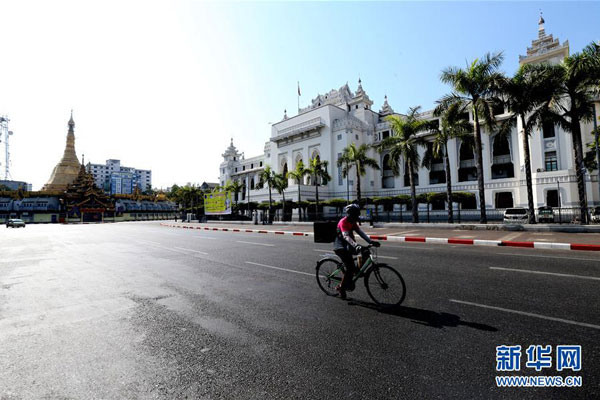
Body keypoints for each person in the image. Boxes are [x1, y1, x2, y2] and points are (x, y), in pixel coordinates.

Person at [333, 203, 380, 299]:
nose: (357, 216)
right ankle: (341, 288)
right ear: (350, 213)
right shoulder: (343, 222)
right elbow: (346, 236)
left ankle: (357, 271)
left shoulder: (353, 222)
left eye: (357, 214)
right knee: (350, 268)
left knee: (365, 252)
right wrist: (356, 245)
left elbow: (360, 232)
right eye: (356, 214)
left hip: (349, 245)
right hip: (340, 247)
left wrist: (370, 241)